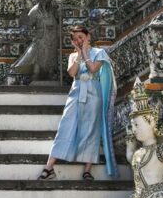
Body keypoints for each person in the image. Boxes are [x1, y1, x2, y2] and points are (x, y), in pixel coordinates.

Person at [37, 25, 117, 181]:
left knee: (91, 130)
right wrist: (79, 53)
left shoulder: (99, 53)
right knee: (66, 126)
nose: (79, 40)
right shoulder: (73, 56)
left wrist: (86, 52)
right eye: (75, 39)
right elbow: (73, 73)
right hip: (76, 92)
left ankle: (87, 170)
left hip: (94, 93)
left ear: (88, 37)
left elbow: (93, 69)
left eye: (81, 37)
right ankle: (49, 167)